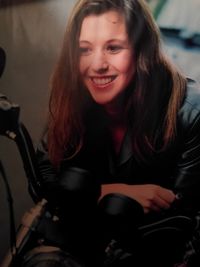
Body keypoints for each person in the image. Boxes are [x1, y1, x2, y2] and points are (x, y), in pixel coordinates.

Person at [36, 0, 200, 266]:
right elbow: (47, 177)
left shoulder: (191, 112)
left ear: (141, 51)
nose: (97, 64)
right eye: (84, 50)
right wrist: (110, 191)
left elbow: (187, 221)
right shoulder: (73, 99)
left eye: (113, 48)